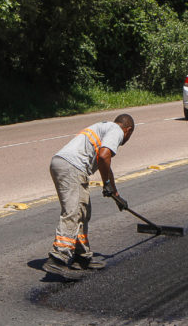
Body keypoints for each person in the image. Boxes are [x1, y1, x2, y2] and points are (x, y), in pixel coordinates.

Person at [42, 114, 135, 278]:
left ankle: (82, 256)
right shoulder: (117, 130)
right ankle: (58, 258)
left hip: (61, 163)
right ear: (128, 130)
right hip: (72, 167)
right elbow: (104, 155)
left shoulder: (104, 128)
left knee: (83, 212)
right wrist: (106, 184)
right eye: (129, 135)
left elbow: (104, 163)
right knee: (74, 212)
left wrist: (115, 192)